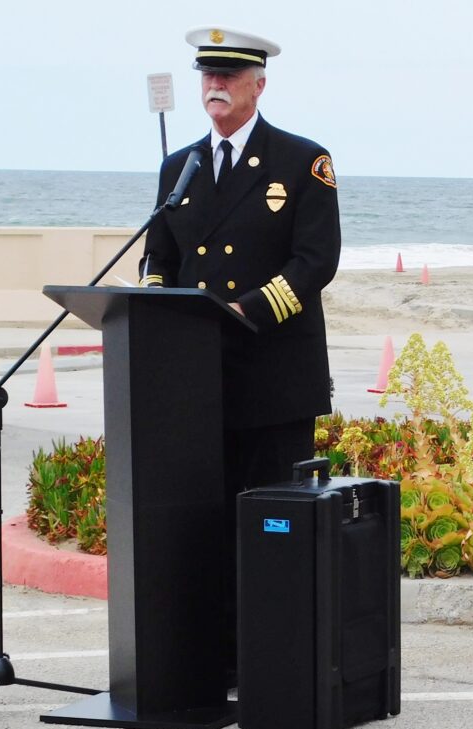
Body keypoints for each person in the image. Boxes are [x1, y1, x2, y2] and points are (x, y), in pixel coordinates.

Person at [139, 26, 340, 681]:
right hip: (197, 387)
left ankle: (276, 663)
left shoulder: (302, 162)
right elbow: (159, 257)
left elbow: (316, 261)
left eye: (228, 75)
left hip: (273, 381)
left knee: (273, 530)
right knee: (205, 529)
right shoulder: (182, 168)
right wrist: (155, 314)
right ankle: (214, 660)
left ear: (259, 83)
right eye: (207, 76)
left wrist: (244, 310)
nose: (215, 86)